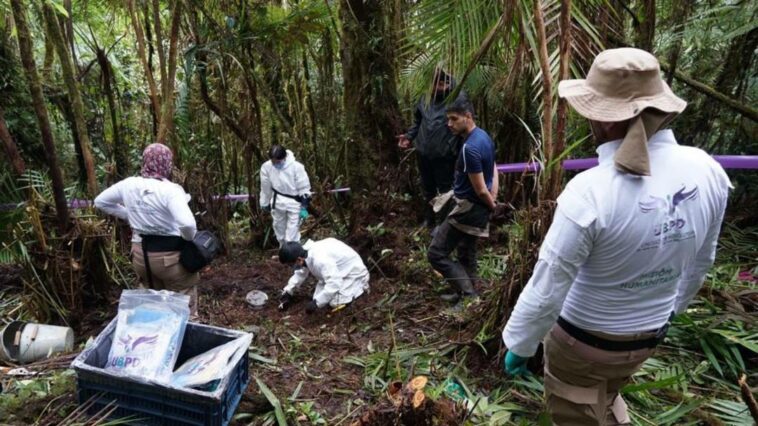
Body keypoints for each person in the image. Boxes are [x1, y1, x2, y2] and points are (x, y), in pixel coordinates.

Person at [501, 48, 731, 425]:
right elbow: (701, 262)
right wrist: (669, 313)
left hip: (583, 344)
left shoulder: (589, 190)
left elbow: (550, 284)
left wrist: (520, 345)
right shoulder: (709, 171)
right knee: (606, 396)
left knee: (576, 411)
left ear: (606, 119)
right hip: (647, 338)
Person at [94, 143, 201, 315]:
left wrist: (129, 215)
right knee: (183, 305)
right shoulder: (170, 190)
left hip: (141, 257)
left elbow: (100, 201)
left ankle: (158, 337)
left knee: (155, 305)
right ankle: (185, 338)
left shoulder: (128, 185)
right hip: (171, 259)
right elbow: (188, 225)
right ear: (167, 164)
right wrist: (189, 241)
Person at [427, 99, 501, 306]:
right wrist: (493, 197)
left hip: (468, 208)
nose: (449, 124)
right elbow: (494, 168)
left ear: (468, 116)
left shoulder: (470, 148)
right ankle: (466, 292)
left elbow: (479, 189)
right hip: (477, 207)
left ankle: (468, 295)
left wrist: (492, 205)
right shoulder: (483, 137)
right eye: (448, 119)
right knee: (465, 250)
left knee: (436, 253)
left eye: (454, 119)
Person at [398, 69, 469, 228]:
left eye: (439, 84)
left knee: (446, 191)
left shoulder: (457, 98)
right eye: (433, 84)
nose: (434, 88)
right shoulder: (425, 98)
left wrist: (463, 152)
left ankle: (444, 225)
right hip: (424, 153)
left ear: (446, 83)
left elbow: (466, 126)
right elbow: (418, 121)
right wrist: (409, 137)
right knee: (427, 189)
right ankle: (429, 220)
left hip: (445, 155)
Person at [277, 239, 369, 313]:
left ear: (299, 260)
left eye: (290, 264)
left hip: (353, 273)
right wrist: (288, 291)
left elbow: (334, 283)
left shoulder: (320, 260)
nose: (291, 267)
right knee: (318, 297)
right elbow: (300, 273)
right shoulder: (304, 252)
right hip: (338, 272)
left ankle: (361, 286)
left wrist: (317, 303)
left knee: (334, 302)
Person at [259, 145, 312, 246]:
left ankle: (293, 255)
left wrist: (304, 207)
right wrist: (264, 202)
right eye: (273, 162)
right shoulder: (266, 167)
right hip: (277, 202)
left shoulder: (297, 167)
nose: (275, 164)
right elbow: (265, 187)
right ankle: (283, 253)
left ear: (284, 157)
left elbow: (304, 187)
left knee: (292, 234)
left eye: (277, 162)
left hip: (295, 203)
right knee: (279, 230)